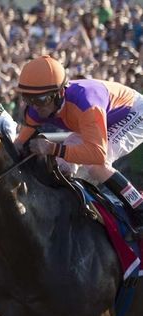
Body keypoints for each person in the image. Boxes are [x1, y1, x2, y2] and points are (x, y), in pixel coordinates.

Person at [15, 55, 143, 232]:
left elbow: (97, 154)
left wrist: (53, 148)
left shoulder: (86, 102)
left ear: (59, 94)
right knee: (61, 166)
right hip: (96, 121)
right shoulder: (38, 106)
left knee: (96, 165)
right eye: (28, 99)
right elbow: (18, 143)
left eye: (41, 100)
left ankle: (138, 206)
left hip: (132, 112)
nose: (35, 107)